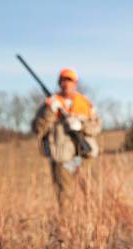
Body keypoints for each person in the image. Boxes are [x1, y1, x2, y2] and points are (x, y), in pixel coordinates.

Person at [31, 68, 101, 207]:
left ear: (75, 83)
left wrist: (81, 125)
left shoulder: (85, 103)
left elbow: (97, 126)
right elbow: (37, 128)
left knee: (92, 193)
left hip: (85, 157)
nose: (66, 84)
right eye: (63, 80)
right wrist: (49, 111)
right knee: (65, 197)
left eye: (70, 81)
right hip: (62, 158)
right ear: (59, 83)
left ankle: (94, 224)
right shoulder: (50, 104)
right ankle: (66, 225)